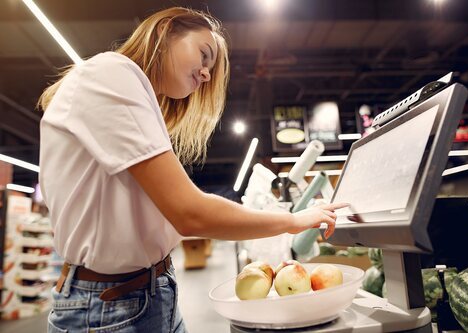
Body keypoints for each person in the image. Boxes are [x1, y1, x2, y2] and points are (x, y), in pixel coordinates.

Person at [38, 7, 347, 333]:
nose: (206, 75)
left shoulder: (130, 92)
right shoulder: (112, 74)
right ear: (168, 30)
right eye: (204, 54)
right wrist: (294, 221)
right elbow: (189, 213)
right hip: (110, 308)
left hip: (146, 293)